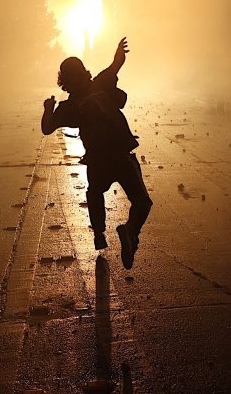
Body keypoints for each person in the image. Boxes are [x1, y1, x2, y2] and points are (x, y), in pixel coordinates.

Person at [41, 37, 152, 270]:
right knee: (142, 202)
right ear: (84, 72)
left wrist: (48, 109)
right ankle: (130, 231)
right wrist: (118, 54)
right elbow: (116, 65)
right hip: (122, 155)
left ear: (64, 81)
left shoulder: (69, 107)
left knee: (95, 192)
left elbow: (47, 128)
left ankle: (99, 233)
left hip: (98, 161)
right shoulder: (100, 84)